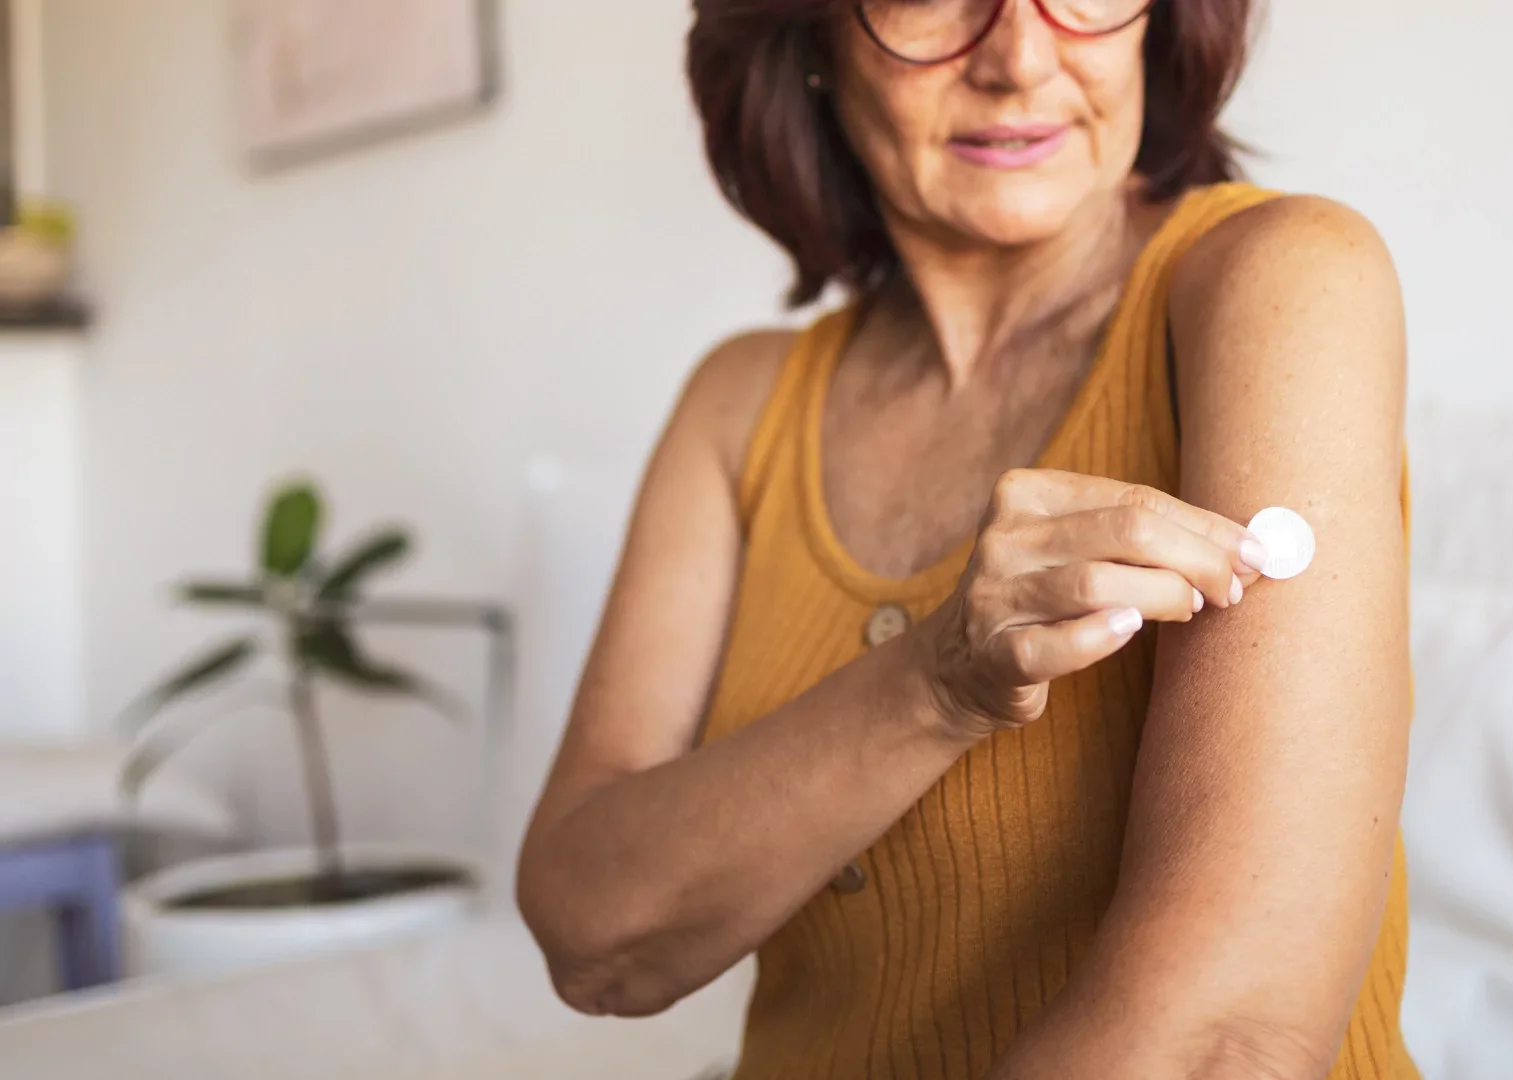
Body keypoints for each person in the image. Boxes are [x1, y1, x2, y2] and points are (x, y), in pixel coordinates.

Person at [517, 0, 1417, 1076]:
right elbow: (593, 940)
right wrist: (937, 683)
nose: (1022, 58)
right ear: (807, 42)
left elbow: (1224, 1037)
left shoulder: (1278, 277)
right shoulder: (737, 405)